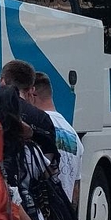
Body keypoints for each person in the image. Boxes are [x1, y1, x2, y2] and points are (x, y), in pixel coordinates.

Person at [30, 72, 83, 208]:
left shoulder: (36, 126)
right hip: (63, 217)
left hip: (43, 215)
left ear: (33, 94)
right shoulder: (73, 134)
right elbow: (75, 190)